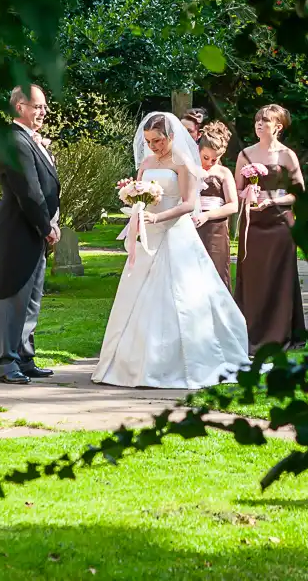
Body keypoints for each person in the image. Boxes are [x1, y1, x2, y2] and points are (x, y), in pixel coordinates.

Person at [92, 111, 249, 389]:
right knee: (137, 296)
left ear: (172, 137)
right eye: (149, 141)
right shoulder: (147, 163)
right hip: (148, 234)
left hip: (176, 233)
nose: (154, 147)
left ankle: (183, 362)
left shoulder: (183, 164)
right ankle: (131, 364)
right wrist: (137, 208)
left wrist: (159, 217)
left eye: (159, 141)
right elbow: (139, 193)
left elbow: (189, 203)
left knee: (180, 297)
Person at [0, 84, 61, 384]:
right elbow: (28, 192)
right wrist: (46, 227)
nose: (43, 112)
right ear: (20, 107)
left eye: (44, 107)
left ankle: (24, 357)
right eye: (38, 107)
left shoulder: (30, 140)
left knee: (31, 298)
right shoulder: (14, 141)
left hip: (33, 230)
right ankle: (6, 364)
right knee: (13, 296)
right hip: (18, 229)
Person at [234, 104, 306, 355]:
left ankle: (279, 334)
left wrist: (274, 201)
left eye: (265, 121)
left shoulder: (287, 156)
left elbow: (299, 195)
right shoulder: (245, 154)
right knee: (253, 277)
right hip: (253, 223)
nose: (259, 124)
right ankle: (249, 332)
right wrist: (249, 194)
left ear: (278, 126)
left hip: (279, 223)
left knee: (279, 277)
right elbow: (236, 192)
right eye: (257, 120)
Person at [193, 121, 238, 290]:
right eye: (206, 157)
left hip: (215, 229)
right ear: (198, 149)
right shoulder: (188, 169)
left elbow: (233, 205)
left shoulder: (223, 173)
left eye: (215, 159)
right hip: (190, 225)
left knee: (216, 272)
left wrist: (206, 215)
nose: (210, 162)